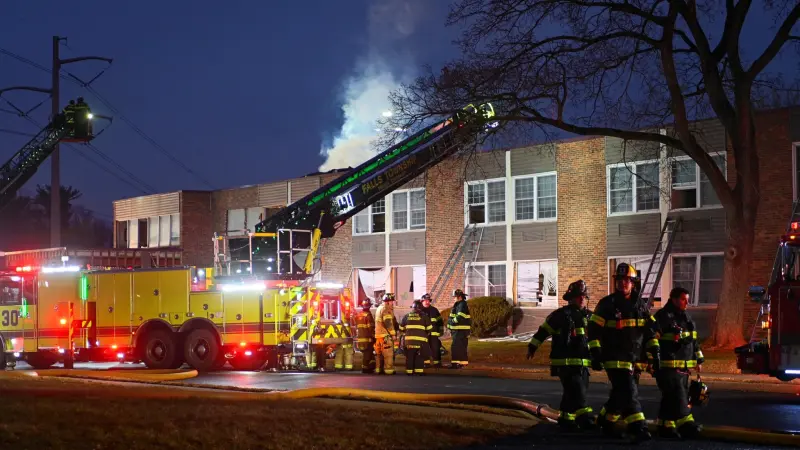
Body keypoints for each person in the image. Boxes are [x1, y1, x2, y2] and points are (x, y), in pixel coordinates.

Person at [588, 263, 659, 443]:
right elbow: (594, 331)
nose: (622, 283)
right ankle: (638, 428)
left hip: (635, 361)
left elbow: (649, 332)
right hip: (615, 359)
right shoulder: (607, 304)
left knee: (620, 394)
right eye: (619, 280)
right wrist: (596, 353)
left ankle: (606, 421)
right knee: (629, 392)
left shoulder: (640, 305)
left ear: (633, 283)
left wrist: (654, 353)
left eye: (626, 280)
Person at [527, 280, 596, 431]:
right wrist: (532, 346)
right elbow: (543, 331)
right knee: (579, 392)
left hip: (583, 363)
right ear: (571, 298)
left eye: (584, 296)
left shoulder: (590, 317)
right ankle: (586, 420)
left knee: (572, 392)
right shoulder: (560, 315)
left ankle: (566, 419)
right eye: (579, 296)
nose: (582, 299)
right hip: (565, 363)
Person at [652, 286, 704, 439]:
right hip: (667, 368)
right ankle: (687, 424)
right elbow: (652, 340)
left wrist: (698, 358)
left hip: (684, 368)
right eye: (683, 299)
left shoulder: (687, 318)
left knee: (669, 398)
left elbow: (693, 341)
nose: (686, 303)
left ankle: (665, 427)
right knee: (679, 396)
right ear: (673, 299)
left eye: (687, 300)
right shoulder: (662, 317)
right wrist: (652, 360)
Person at [400, 299, 432, 375]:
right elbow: (429, 329)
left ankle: (409, 372)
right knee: (419, 356)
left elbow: (401, 328)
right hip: (420, 342)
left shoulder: (406, 316)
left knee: (409, 357)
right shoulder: (424, 316)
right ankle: (419, 371)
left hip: (408, 342)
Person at [374, 293, 399, 375]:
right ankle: (389, 370)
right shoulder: (386, 309)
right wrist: (393, 334)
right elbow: (388, 323)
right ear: (388, 302)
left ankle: (378, 369)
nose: (393, 303)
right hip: (385, 336)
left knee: (379, 355)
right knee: (388, 354)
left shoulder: (379, 308)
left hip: (378, 336)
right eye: (392, 302)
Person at [447, 289, 471, 369]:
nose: (454, 298)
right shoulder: (461, 304)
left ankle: (455, 364)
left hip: (459, 330)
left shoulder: (461, 304)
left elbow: (460, 316)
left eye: (455, 297)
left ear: (459, 297)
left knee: (455, 347)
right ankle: (463, 363)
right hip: (461, 330)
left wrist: (452, 322)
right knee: (462, 346)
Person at [420, 293, 443, 367]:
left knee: (436, 348)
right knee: (424, 348)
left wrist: (441, 330)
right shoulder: (419, 311)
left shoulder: (434, 310)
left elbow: (440, 321)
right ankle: (426, 363)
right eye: (425, 300)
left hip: (434, 333)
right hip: (424, 334)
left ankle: (437, 363)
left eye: (428, 300)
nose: (427, 302)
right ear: (422, 301)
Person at [354, 298, 376, 374]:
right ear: (369, 306)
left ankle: (371, 367)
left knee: (369, 354)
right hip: (368, 339)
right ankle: (365, 368)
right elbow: (371, 328)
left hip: (360, 339)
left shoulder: (358, 315)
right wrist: (374, 336)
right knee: (367, 354)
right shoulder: (368, 315)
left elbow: (357, 327)